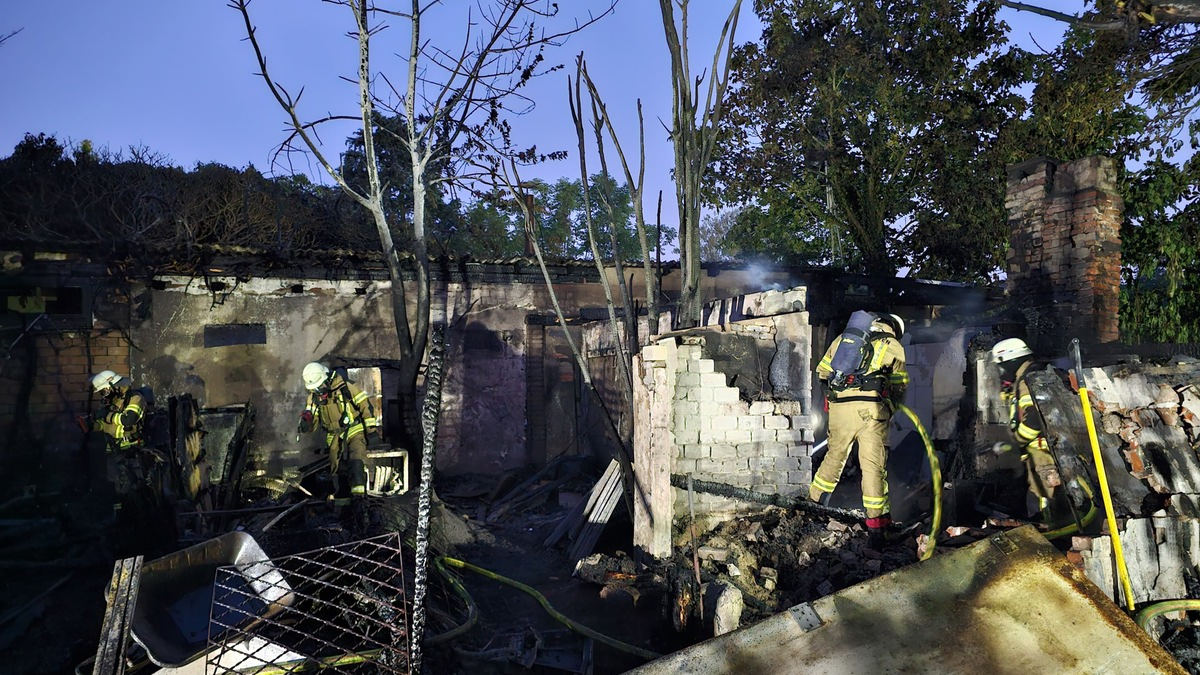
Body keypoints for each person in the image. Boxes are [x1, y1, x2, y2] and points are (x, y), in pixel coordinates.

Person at [809, 313, 909, 543]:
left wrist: (835, 396)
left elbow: (822, 372)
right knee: (873, 467)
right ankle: (877, 528)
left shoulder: (844, 340)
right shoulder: (891, 344)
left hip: (840, 408)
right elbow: (899, 384)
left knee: (834, 457)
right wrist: (894, 408)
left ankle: (811, 507)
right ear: (894, 328)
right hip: (871, 410)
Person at [990, 337, 1062, 520]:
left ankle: (1049, 538)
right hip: (1043, 450)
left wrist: (1015, 442)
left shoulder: (1026, 382)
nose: (1001, 370)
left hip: (1040, 452)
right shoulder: (1032, 375)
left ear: (1012, 361)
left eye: (1003, 365)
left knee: (1041, 497)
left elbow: (1033, 420)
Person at [298, 362, 380, 499]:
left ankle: (359, 503)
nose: (318, 390)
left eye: (319, 386)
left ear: (326, 378)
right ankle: (343, 506)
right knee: (337, 472)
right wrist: (306, 423)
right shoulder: (313, 398)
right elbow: (313, 423)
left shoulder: (347, 387)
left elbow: (366, 408)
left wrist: (371, 432)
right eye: (315, 388)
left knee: (356, 463)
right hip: (333, 436)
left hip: (354, 430)